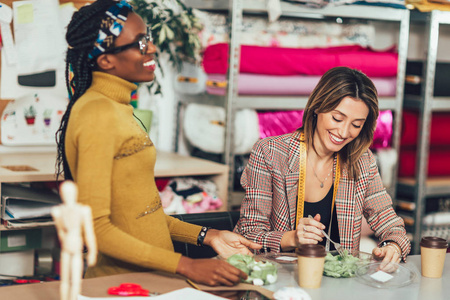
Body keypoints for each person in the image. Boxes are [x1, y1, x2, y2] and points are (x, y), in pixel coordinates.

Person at [55, 0, 261, 286]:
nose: (152, 48)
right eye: (140, 43)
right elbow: (96, 228)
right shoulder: (97, 113)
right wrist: (186, 265)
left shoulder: (116, 107)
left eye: (148, 38)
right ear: (106, 61)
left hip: (151, 281)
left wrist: (208, 235)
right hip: (121, 286)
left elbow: (142, 216)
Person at [234, 66, 411, 265]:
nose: (344, 132)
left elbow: (390, 223)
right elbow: (248, 235)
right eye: (337, 118)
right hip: (278, 278)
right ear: (318, 107)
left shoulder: (362, 161)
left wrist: (393, 245)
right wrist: (292, 238)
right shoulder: (269, 153)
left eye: (356, 124)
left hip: (337, 284)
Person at [52, 180, 97, 300]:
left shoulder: (83, 210)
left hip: (77, 249)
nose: (68, 196)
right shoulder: (58, 211)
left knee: (76, 281)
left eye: (70, 193)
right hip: (66, 249)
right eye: (65, 193)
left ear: (75, 193)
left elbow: (89, 233)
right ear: (61, 194)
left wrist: (92, 252)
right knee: (64, 281)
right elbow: (60, 231)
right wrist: (64, 239)